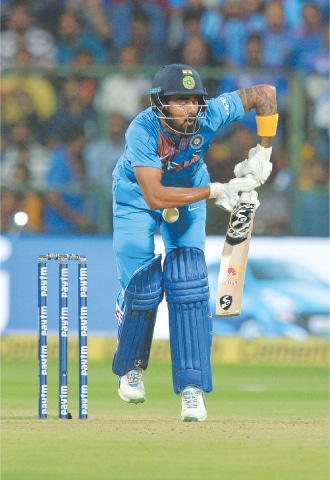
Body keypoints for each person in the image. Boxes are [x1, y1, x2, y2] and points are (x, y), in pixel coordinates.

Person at [111, 63, 278, 421]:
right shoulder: (142, 129)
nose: (190, 109)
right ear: (159, 104)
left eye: (194, 100)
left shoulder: (210, 113)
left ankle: (192, 389)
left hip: (188, 188)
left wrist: (263, 152)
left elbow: (265, 94)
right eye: (179, 101)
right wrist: (215, 190)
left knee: (188, 283)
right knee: (142, 286)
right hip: (136, 198)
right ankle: (131, 364)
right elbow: (154, 196)